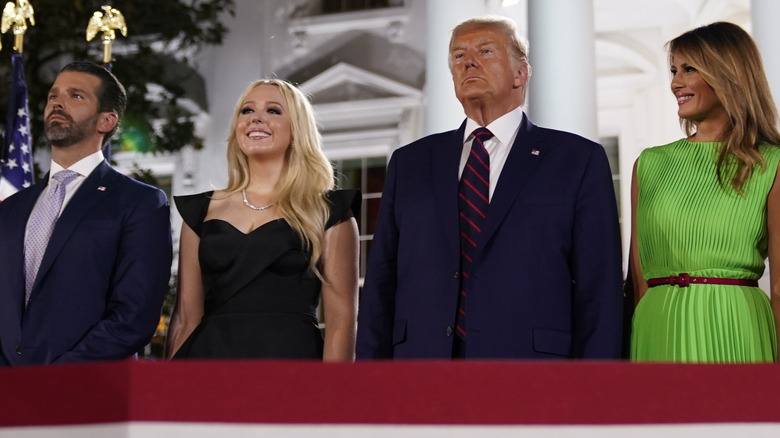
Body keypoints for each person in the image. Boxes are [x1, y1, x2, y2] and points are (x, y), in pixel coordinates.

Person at [356, 16, 623, 359]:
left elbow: (599, 288)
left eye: (485, 50)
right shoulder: (410, 163)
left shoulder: (577, 159)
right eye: (458, 56)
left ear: (521, 73)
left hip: (532, 370)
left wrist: (595, 389)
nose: (469, 61)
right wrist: (371, 381)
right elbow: (381, 282)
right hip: (422, 366)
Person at [166, 79, 360, 361]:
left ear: (297, 129)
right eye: (246, 111)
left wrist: (332, 397)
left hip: (291, 365)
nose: (256, 118)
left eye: (273, 110)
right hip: (207, 365)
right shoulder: (200, 211)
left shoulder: (330, 211)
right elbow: (185, 317)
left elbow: (341, 321)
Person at [0, 61, 173, 366]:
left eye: (76, 96)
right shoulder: (12, 208)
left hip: (87, 390)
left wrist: (59, 377)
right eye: (54, 95)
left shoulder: (139, 202)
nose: (57, 101)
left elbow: (134, 316)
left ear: (106, 121)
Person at [630, 22, 780, 362]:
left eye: (688, 69)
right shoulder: (649, 164)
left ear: (727, 73)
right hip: (657, 327)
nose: (675, 83)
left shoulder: (772, 162)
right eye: (673, 70)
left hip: (736, 326)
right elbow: (639, 282)